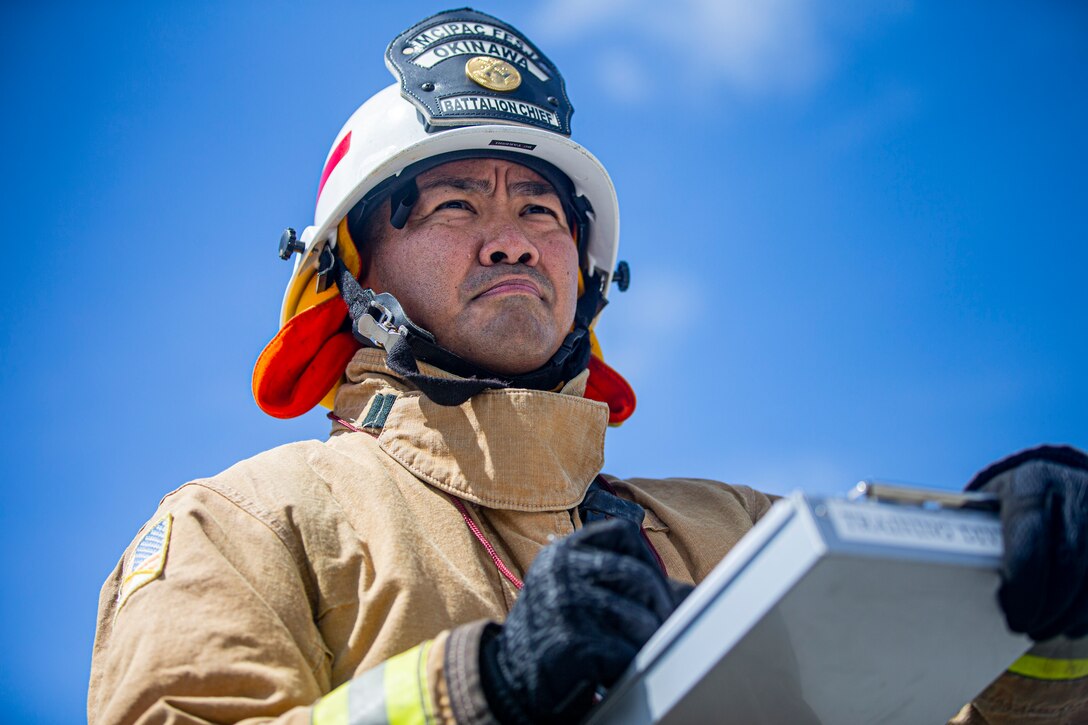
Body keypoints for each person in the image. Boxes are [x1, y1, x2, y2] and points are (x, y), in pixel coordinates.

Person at [89, 8, 1087, 724]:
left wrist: (1040, 628)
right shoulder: (245, 527)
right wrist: (481, 686)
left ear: (589, 274)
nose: (511, 238)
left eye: (539, 209)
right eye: (454, 205)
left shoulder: (742, 535)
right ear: (351, 275)